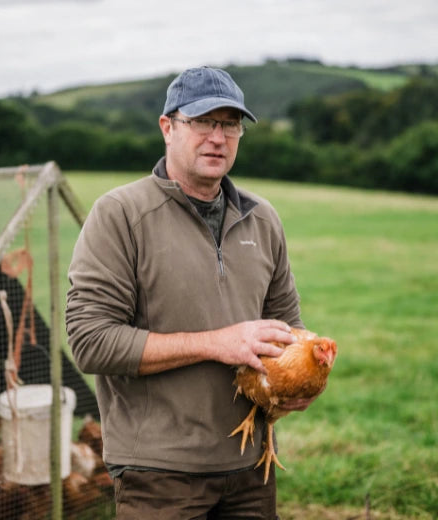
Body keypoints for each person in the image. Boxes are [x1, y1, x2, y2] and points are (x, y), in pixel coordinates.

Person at [65, 66, 313, 519]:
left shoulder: (262, 218)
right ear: (167, 128)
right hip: (159, 474)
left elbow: (288, 332)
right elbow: (90, 342)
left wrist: (298, 381)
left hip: (252, 469)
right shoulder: (120, 214)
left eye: (230, 124)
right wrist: (215, 343)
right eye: (202, 122)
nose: (217, 137)